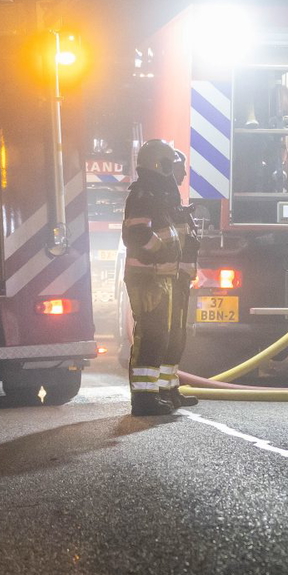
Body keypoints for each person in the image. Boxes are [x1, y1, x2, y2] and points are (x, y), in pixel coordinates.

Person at [123, 139, 191, 416]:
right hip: (148, 276)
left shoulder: (163, 194)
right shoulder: (143, 195)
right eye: (174, 166)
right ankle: (144, 397)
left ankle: (165, 390)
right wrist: (160, 253)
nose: (181, 174)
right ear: (159, 164)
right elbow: (137, 234)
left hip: (166, 275)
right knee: (151, 334)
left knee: (170, 335)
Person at [164, 149, 199, 408]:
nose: (184, 173)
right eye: (180, 168)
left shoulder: (170, 198)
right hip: (165, 278)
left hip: (177, 277)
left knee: (176, 334)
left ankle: (169, 389)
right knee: (163, 335)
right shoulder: (155, 199)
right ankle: (153, 394)